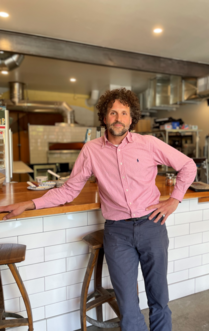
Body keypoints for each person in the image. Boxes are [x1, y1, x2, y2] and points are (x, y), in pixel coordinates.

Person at [0, 88, 197, 331]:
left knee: (159, 298)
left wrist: (174, 199)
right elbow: (68, 191)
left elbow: (188, 166)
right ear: (104, 117)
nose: (118, 118)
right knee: (127, 304)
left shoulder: (149, 144)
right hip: (117, 233)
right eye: (113, 112)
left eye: (124, 113)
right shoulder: (91, 150)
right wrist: (29, 203)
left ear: (131, 118)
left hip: (152, 226)